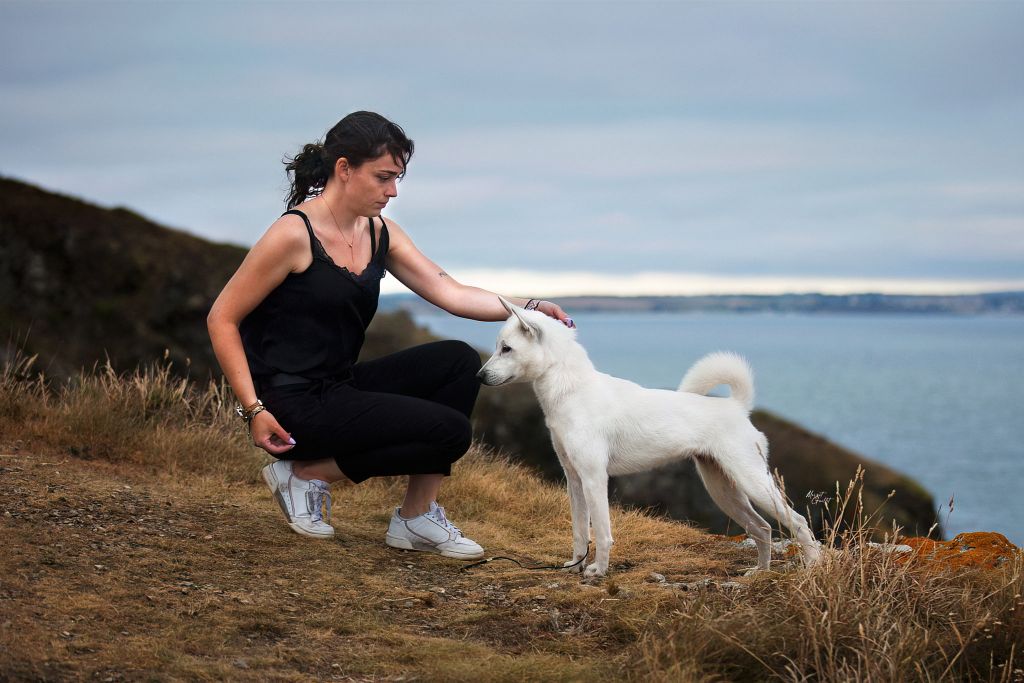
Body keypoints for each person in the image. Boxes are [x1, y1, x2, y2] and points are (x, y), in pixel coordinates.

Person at [207, 111, 573, 560]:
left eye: (397, 178)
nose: (393, 191)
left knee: (458, 361)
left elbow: (449, 291)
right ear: (344, 169)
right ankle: (304, 475)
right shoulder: (292, 235)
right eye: (383, 177)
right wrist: (254, 409)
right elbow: (222, 318)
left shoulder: (380, 233)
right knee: (450, 433)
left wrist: (529, 307)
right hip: (292, 405)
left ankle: (416, 517)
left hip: (339, 387)